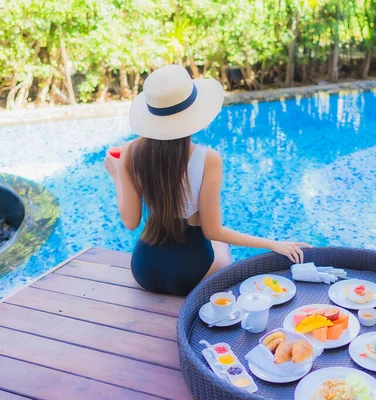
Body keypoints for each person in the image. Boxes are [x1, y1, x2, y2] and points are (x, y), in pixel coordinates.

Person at [104, 65, 310, 296]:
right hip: (190, 275)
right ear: (193, 111)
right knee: (222, 248)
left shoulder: (131, 151)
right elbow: (213, 231)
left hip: (144, 271)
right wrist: (272, 243)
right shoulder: (208, 159)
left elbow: (131, 222)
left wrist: (117, 174)